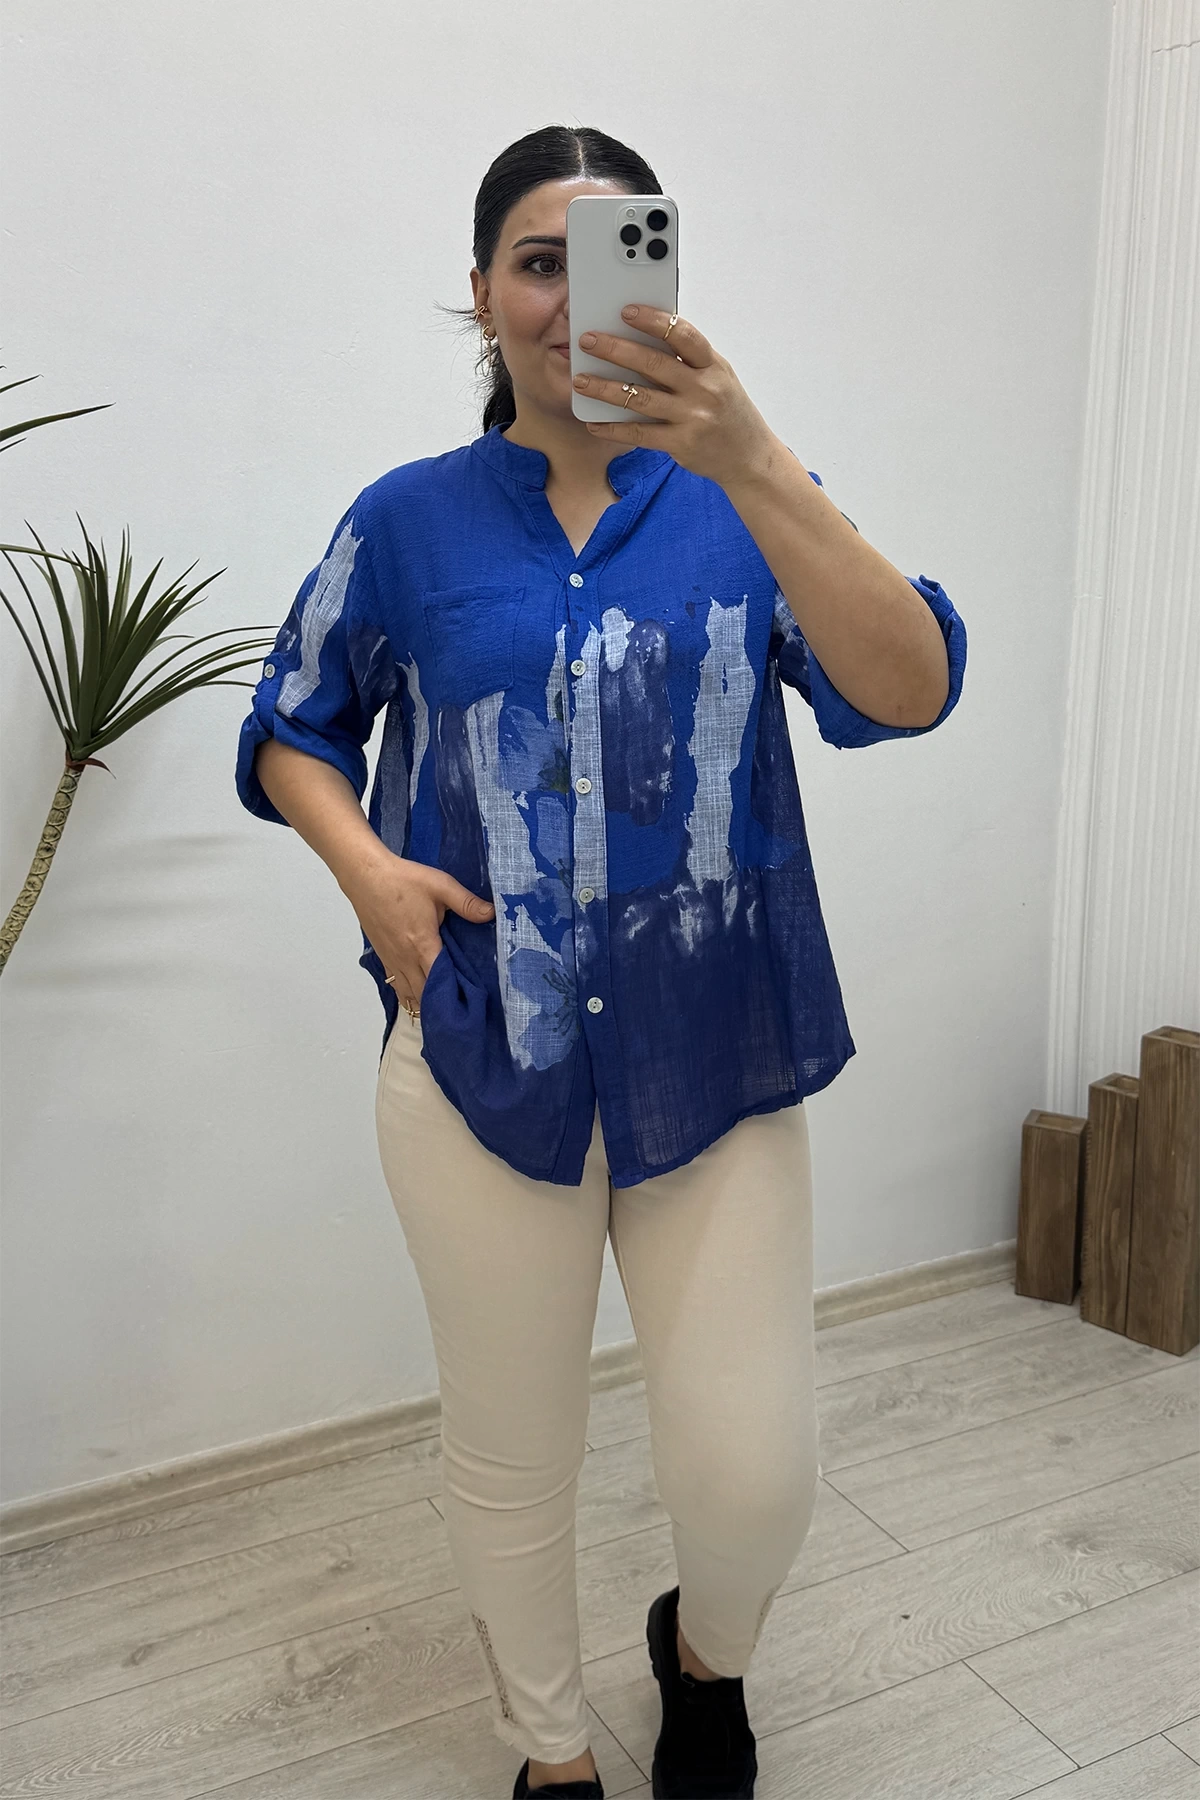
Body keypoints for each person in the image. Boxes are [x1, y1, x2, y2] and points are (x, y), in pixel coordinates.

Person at [235, 124, 966, 1800]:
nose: (570, 302)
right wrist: (370, 876)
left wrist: (758, 461)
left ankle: (703, 1658)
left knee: (754, 1473)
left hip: (717, 1054)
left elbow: (910, 688)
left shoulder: (745, 504)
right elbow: (294, 722)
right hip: (481, 1051)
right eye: (535, 264)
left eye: (611, 259)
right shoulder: (407, 522)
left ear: (669, 279)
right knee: (511, 1453)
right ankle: (552, 1754)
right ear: (481, 291)